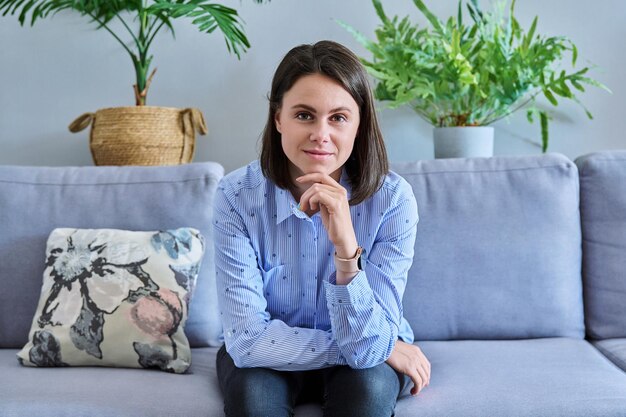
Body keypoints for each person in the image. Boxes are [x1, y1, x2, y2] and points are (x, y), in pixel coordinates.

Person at [213, 40, 430, 417]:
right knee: (253, 402)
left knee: (367, 395)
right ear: (278, 117)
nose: (321, 134)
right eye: (304, 115)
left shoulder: (393, 200)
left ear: (359, 124)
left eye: (339, 117)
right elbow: (248, 341)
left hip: (362, 360)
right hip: (266, 357)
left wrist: (347, 252)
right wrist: (384, 346)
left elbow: (365, 355)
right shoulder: (235, 196)